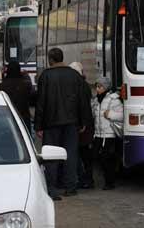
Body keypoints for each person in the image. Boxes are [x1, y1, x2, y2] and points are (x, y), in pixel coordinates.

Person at [35, 48, 90, 200]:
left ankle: (52, 189)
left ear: (50, 59)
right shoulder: (74, 75)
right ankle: (70, 187)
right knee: (70, 154)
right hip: (72, 123)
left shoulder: (46, 76)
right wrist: (83, 121)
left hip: (51, 123)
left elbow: (41, 103)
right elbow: (82, 100)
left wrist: (38, 126)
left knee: (50, 156)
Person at [92, 76, 123, 190]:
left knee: (106, 158)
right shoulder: (96, 100)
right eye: (97, 86)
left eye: (100, 86)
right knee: (97, 157)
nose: (98, 89)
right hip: (99, 134)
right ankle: (108, 180)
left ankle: (110, 182)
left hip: (109, 134)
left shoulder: (113, 99)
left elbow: (122, 115)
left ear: (105, 87)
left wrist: (110, 115)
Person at [69, 62, 95, 189]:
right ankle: (85, 179)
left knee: (83, 155)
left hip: (83, 127)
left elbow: (83, 107)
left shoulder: (78, 85)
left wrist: (82, 123)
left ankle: (86, 179)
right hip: (85, 125)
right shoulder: (83, 85)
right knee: (84, 155)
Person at [0, 61, 34, 130]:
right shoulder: (25, 85)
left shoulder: (1, 86)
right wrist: (26, 76)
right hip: (23, 119)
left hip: (7, 119)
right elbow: (32, 98)